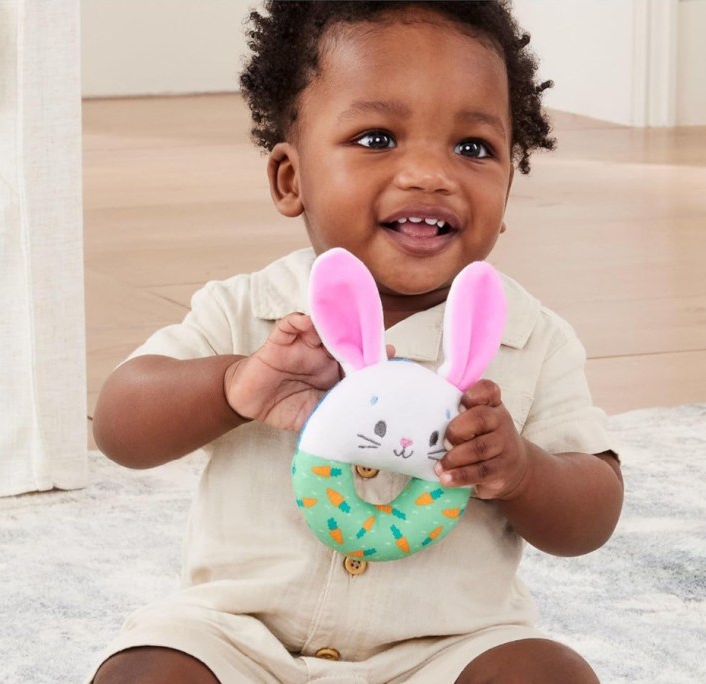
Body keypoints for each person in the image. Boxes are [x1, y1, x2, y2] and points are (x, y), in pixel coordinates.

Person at [90, 2, 624, 682]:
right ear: (292, 179)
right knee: (144, 672)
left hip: (442, 652)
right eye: (377, 138)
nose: (430, 173)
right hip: (239, 642)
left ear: (508, 187)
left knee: (549, 673)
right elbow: (119, 427)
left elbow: (593, 514)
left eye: (472, 148)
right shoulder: (251, 313)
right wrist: (232, 386)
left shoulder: (529, 339)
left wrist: (520, 471)